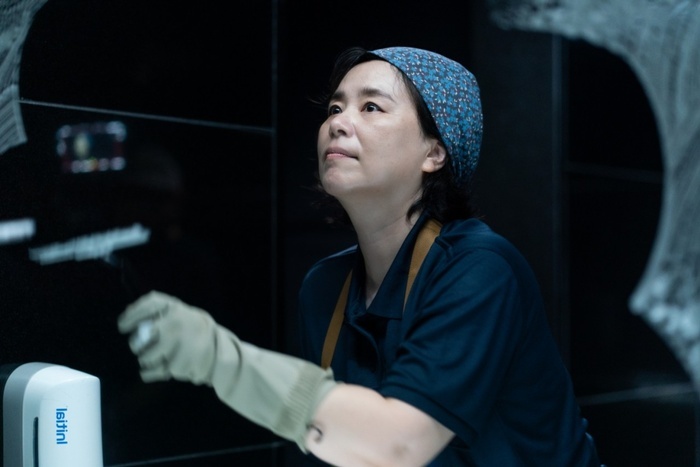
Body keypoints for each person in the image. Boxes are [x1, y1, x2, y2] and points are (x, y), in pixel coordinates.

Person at [118, 46, 603, 466]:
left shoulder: (480, 269)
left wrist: (221, 359)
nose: (337, 123)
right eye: (334, 107)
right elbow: (338, 440)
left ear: (434, 152)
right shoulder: (324, 288)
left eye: (371, 107)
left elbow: (397, 444)